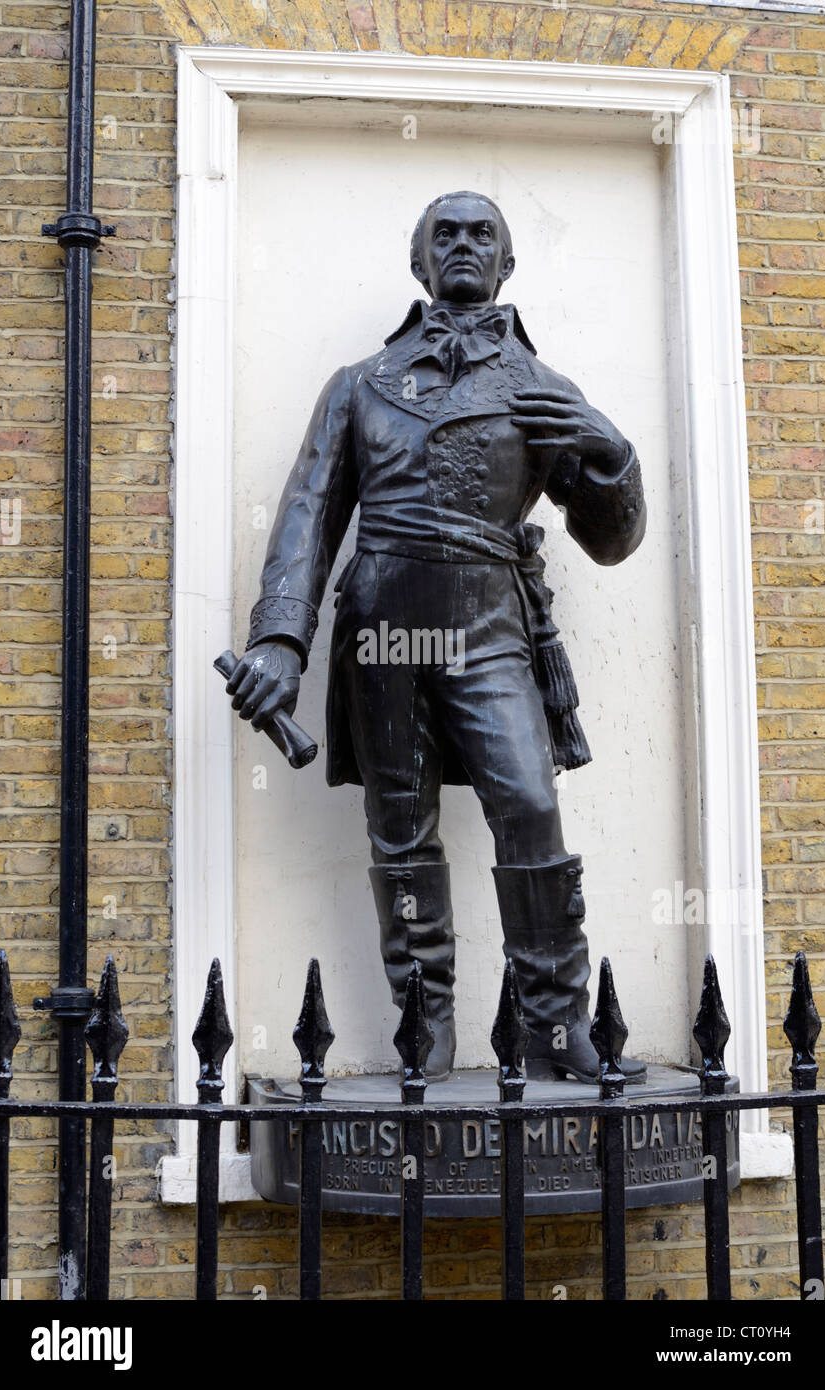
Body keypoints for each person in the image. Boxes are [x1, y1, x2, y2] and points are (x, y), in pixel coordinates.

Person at [226, 191, 647, 1084]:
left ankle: (554, 1019)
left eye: (481, 233)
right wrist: (279, 643)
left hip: (489, 626)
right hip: (383, 628)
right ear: (420, 265)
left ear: (507, 263)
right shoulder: (360, 384)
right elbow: (308, 514)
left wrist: (610, 454)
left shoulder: (539, 388)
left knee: (529, 803)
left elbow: (608, 541)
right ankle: (426, 1018)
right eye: (444, 235)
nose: (463, 246)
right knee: (401, 827)